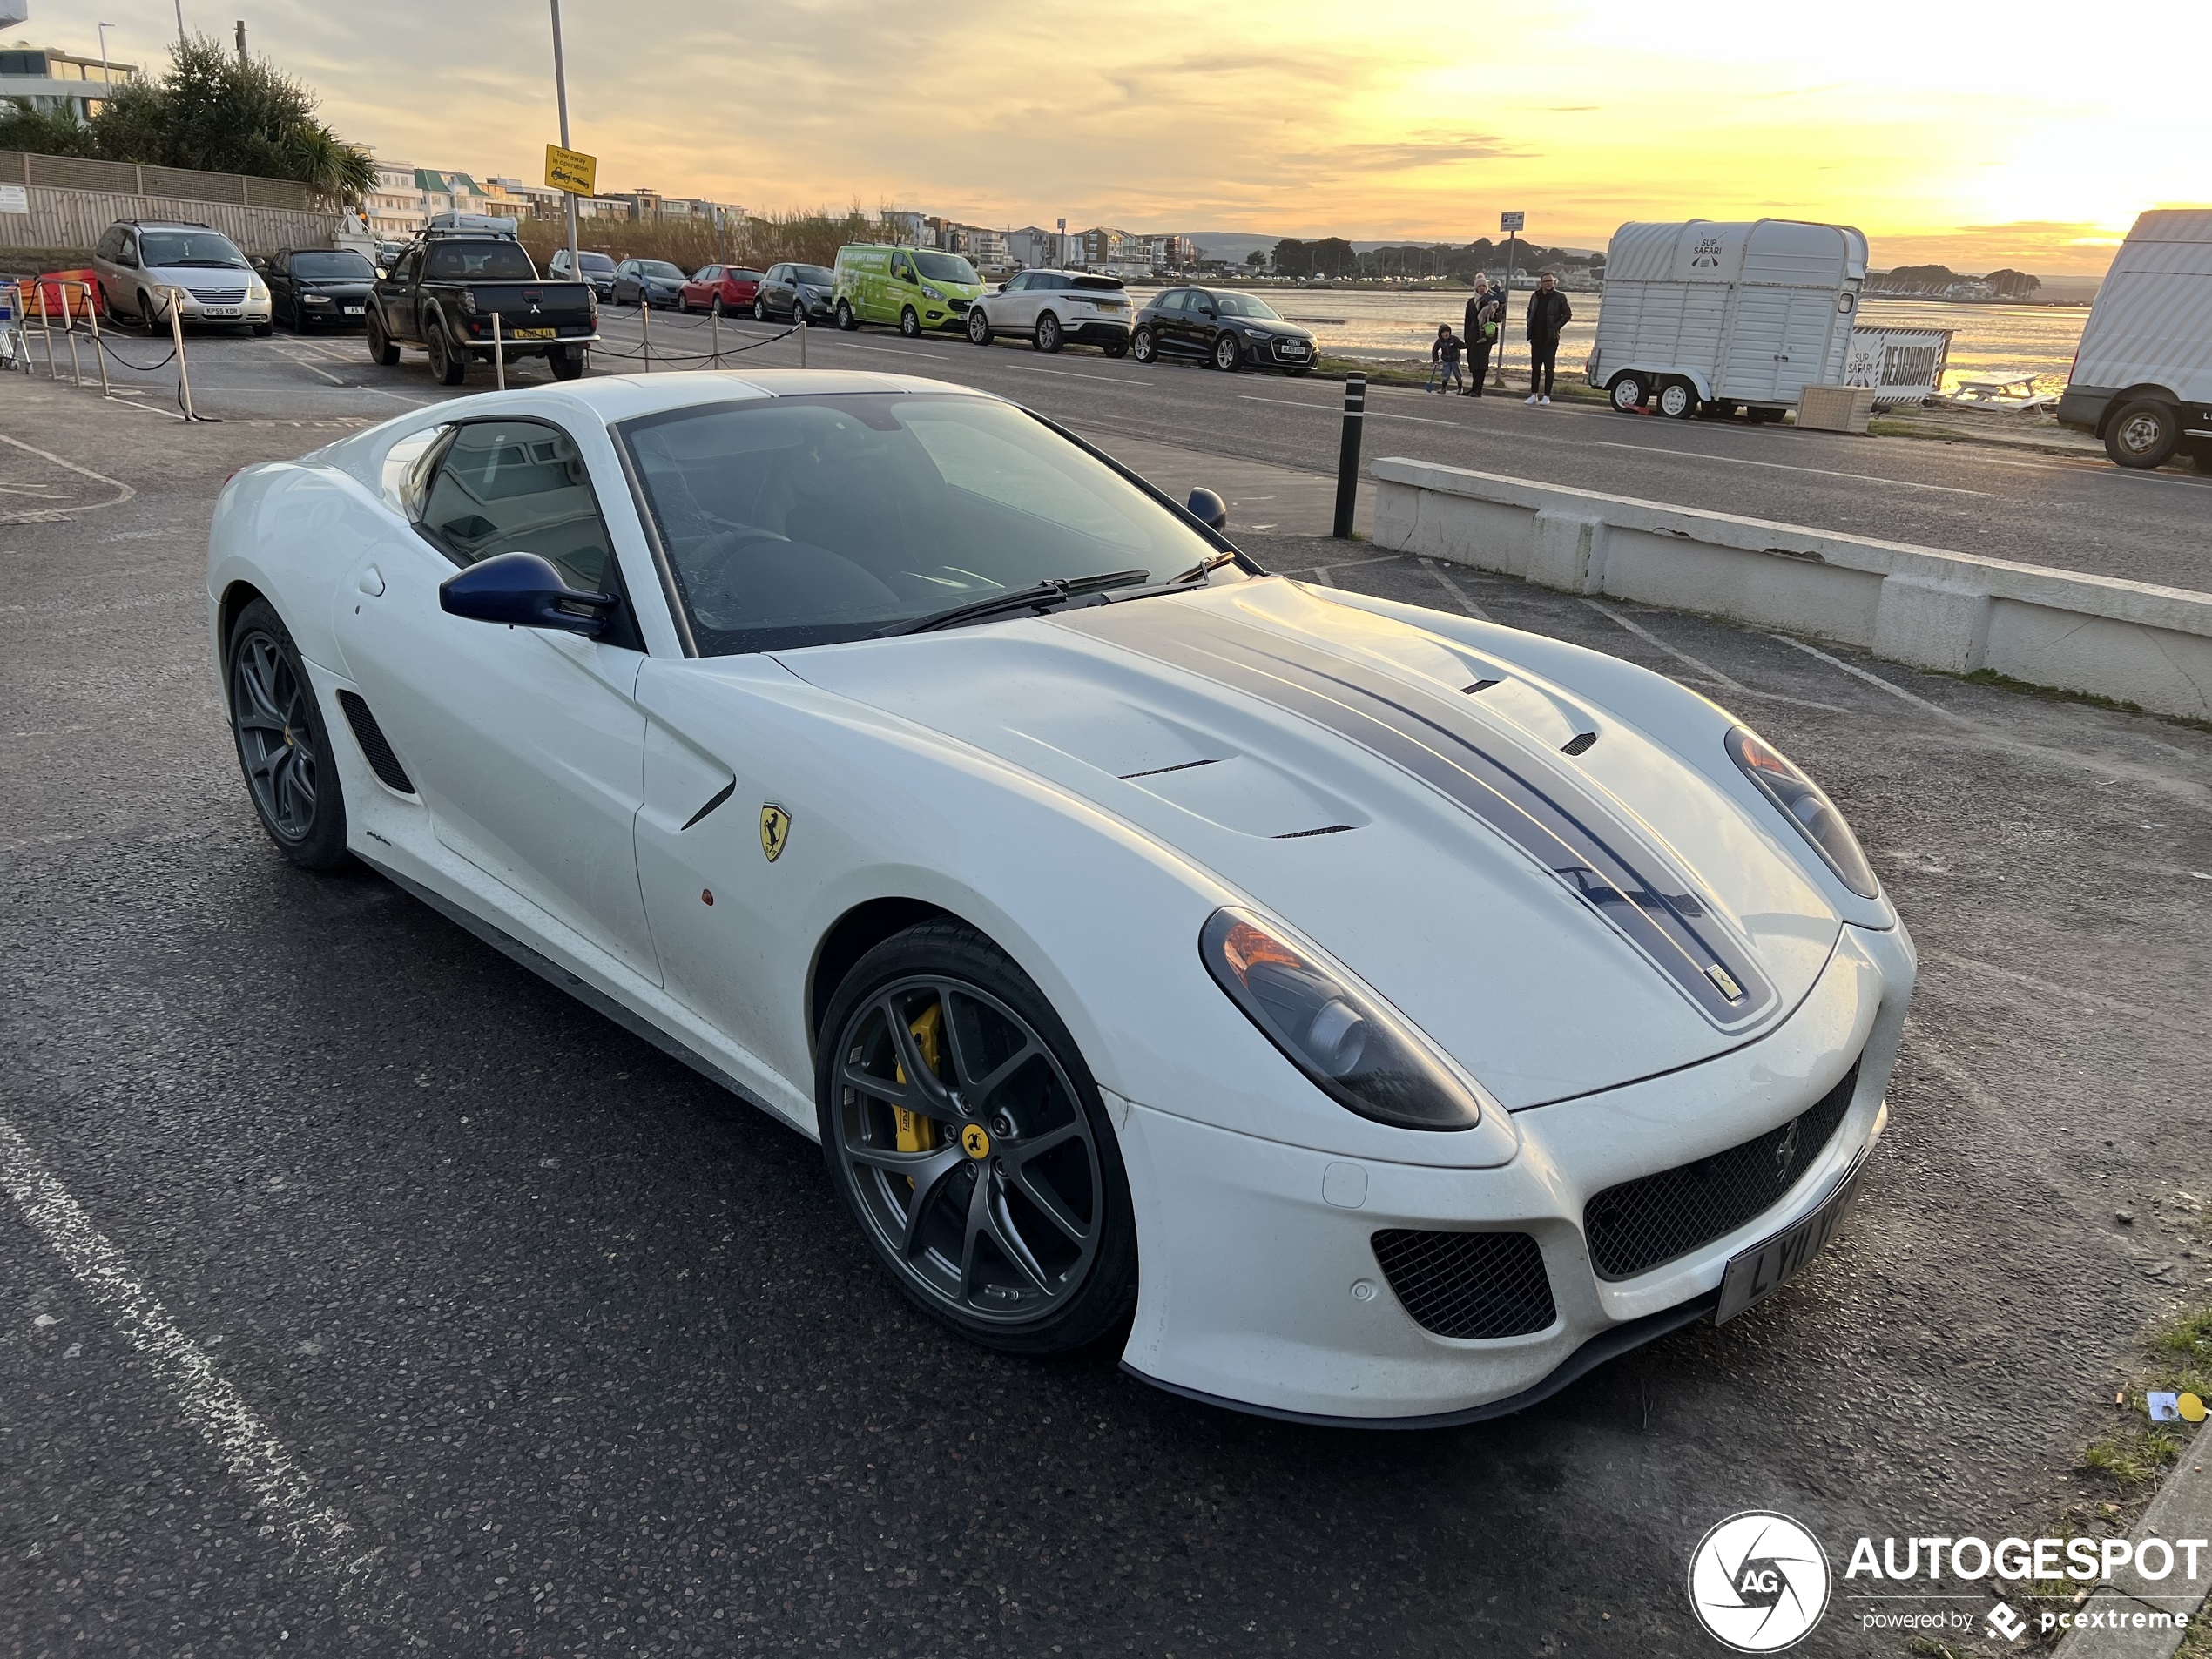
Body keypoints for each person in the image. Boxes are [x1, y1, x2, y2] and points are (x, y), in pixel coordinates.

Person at [1523, 272, 1573, 405]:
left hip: (1550, 339)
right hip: (1536, 337)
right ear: (1541, 283)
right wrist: (1529, 322)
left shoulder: (1559, 297)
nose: (1549, 283)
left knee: (1549, 368)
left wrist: (1555, 327)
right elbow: (1530, 311)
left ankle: (1547, 396)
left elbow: (1567, 314)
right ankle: (1533, 394)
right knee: (1535, 367)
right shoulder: (1535, 296)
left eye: (1550, 281)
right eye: (1546, 281)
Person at [1462, 276, 1501, 395]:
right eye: (1479, 286)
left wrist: (1492, 310)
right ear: (1476, 288)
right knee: (1473, 362)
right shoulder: (1471, 302)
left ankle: (1478, 390)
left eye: (1484, 286)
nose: (1482, 288)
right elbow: (1467, 321)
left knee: (1482, 362)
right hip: (1473, 334)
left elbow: (1498, 318)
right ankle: (1473, 388)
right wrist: (1466, 338)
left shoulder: (1491, 301)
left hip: (1485, 334)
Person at [1429, 323, 1464, 394]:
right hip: (1446, 360)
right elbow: (1435, 350)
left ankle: (1460, 389)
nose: (1446, 333)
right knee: (1445, 374)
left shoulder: (1454, 339)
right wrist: (1435, 360)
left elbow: (1461, 345)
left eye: (1447, 331)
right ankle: (1443, 388)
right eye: (1444, 332)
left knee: (1457, 374)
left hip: (1455, 360)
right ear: (1440, 334)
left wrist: (1469, 345)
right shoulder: (1439, 341)